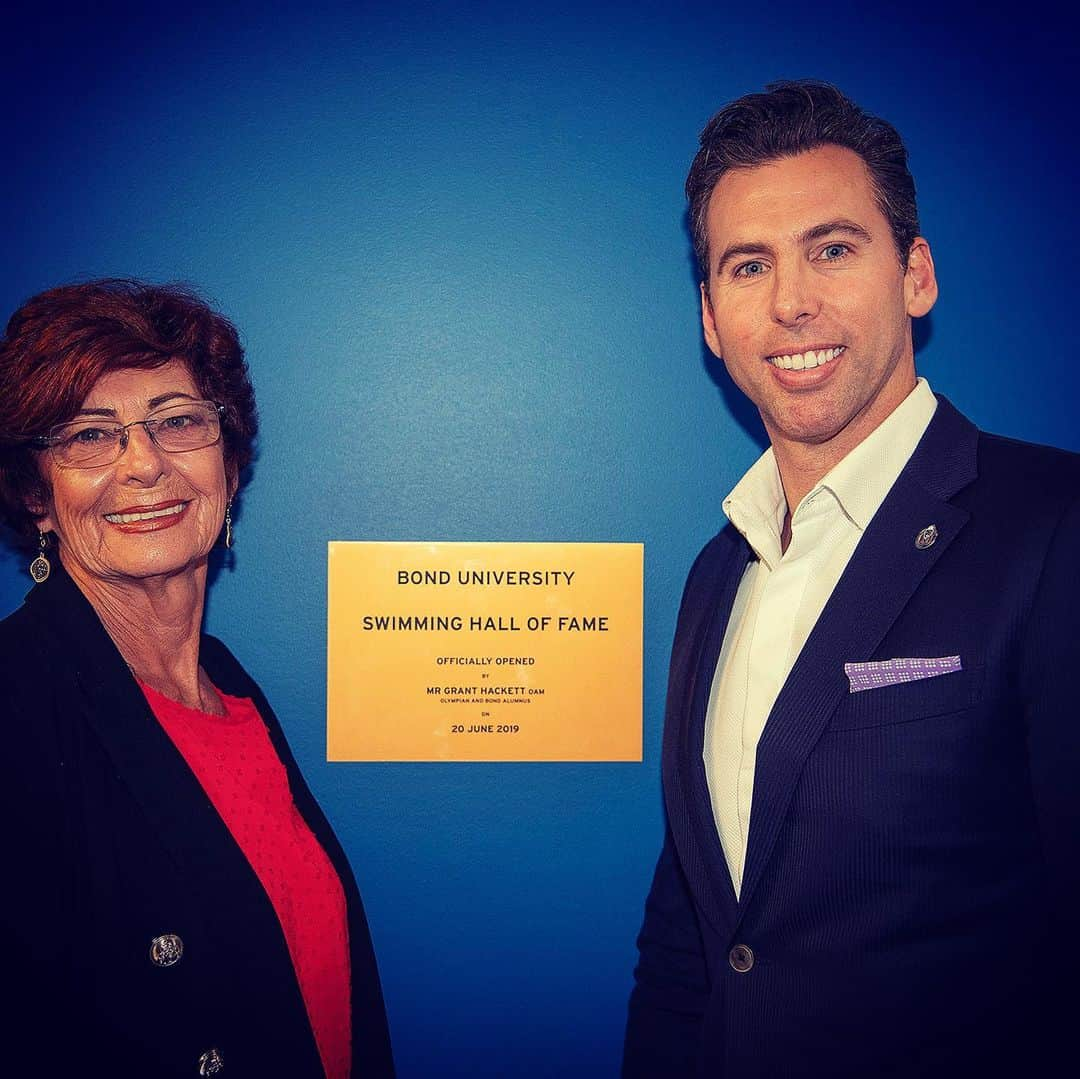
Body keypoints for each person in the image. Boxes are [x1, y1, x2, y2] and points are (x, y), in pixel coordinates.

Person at [623, 82, 1079, 1078]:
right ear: (710, 317)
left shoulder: (1056, 525)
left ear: (916, 274)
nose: (791, 301)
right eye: (749, 265)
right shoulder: (716, 572)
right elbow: (697, 934)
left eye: (832, 248)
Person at [0, 280, 395, 1077]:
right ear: (38, 494)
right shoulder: (15, 707)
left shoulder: (233, 693)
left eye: (178, 421)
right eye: (88, 434)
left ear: (231, 467)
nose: (144, 463)